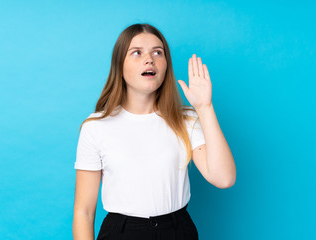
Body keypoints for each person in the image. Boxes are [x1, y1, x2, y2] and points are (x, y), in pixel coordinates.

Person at [72, 23, 236, 240]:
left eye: (157, 52)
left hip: (178, 231)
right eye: (137, 53)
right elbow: (83, 212)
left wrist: (204, 108)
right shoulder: (96, 126)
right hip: (121, 233)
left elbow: (223, 178)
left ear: (166, 65)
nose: (149, 59)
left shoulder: (186, 119)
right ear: (119, 65)